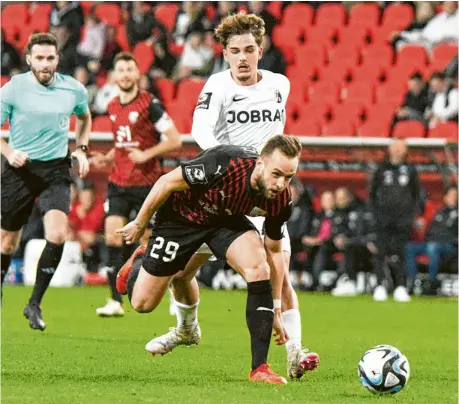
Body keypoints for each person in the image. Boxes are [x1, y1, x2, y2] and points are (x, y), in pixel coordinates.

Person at [122, 10, 319, 380]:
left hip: (264, 193)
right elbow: (199, 127)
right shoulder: (217, 86)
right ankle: (184, 329)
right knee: (180, 273)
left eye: (249, 49)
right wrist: (229, 165)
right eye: (235, 51)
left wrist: (266, 174)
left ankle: (294, 353)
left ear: (261, 50)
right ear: (225, 54)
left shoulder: (280, 84)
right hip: (220, 190)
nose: (242, 58)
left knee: (277, 269)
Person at [116, 135, 316, 384]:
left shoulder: (280, 201)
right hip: (182, 218)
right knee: (142, 303)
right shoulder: (225, 163)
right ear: (260, 164)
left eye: (288, 177)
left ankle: (260, 368)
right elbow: (167, 182)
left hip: (225, 221)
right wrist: (140, 223)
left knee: (258, 267)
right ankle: (142, 258)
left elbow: (274, 252)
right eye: (276, 174)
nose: (280, 183)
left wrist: (275, 306)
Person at [0, 33, 91, 329]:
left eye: (50, 58)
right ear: (28, 60)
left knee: (57, 234)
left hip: (55, 170)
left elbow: (85, 118)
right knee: (7, 241)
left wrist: (82, 149)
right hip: (20, 169)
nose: (44, 63)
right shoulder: (13, 89)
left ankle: (34, 303)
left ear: (57, 59)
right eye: (39, 58)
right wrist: (8, 151)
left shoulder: (73, 89)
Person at [90, 52, 182, 317]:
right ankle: (115, 301)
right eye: (121, 70)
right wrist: (106, 158)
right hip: (119, 182)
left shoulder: (150, 104)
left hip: (148, 184)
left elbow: (174, 139)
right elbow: (122, 144)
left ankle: (175, 295)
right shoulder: (112, 105)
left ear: (138, 74)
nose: (126, 74)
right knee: (112, 236)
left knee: (151, 241)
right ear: (114, 76)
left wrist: (146, 154)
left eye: (130, 69)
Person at [370, 139, 421, 302]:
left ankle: (400, 286)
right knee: (381, 252)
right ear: (389, 149)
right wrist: (376, 214)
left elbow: (416, 195)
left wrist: (411, 216)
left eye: (401, 148)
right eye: (396, 148)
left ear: (406, 151)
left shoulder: (411, 170)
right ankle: (380, 285)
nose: (398, 151)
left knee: (400, 253)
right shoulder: (381, 169)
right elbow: (372, 193)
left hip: (402, 220)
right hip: (383, 218)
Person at [406, 187, 458, 295]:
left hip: (449, 246)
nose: (454, 198)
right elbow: (429, 230)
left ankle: (432, 283)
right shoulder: (439, 213)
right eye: (451, 195)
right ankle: (410, 282)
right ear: (445, 197)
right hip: (431, 243)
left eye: (456, 196)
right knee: (410, 247)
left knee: (432, 247)